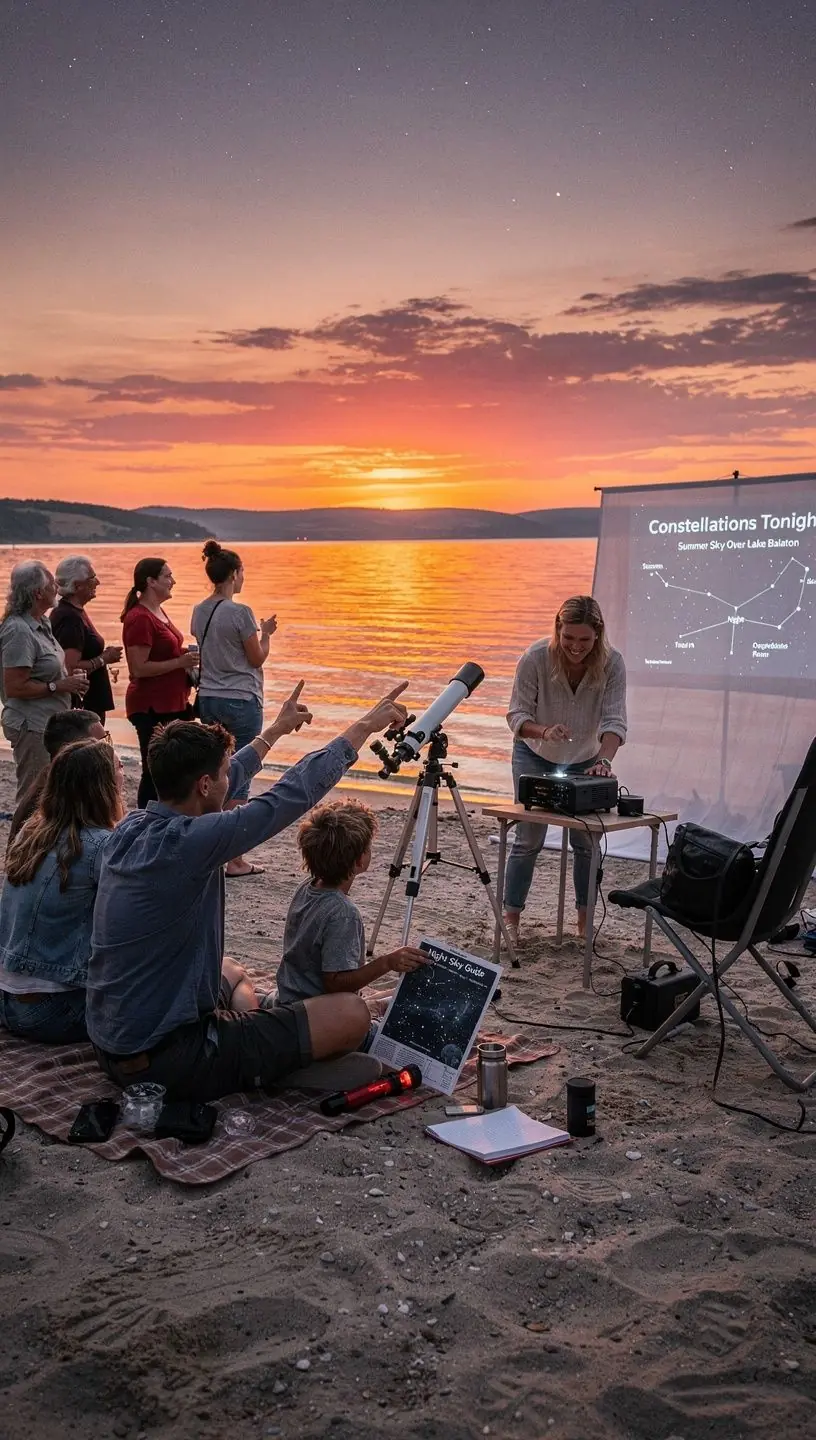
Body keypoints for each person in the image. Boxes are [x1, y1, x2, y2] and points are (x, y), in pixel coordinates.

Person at [85, 680, 412, 1102]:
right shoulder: (189, 843)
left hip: (112, 1044)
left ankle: (265, 1044)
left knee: (233, 970)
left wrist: (273, 732)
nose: (231, 781)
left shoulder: (133, 827)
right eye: (222, 775)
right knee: (352, 1014)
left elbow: (232, 773)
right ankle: (277, 1067)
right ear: (204, 785)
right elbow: (288, 796)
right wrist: (362, 728)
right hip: (168, 1060)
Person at [504, 595, 627, 943]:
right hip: (533, 754)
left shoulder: (613, 664)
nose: (575, 647)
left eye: (584, 641)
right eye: (569, 638)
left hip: (588, 759)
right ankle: (511, 919)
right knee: (528, 838)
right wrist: (544, 730)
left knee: (587, 841)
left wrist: (604, 761)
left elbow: (615, 721)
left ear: (598, 636)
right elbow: (516, 715)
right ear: (558, 630)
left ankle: (584, 923)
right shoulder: (535, 658)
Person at [0, 740, 124, 1044]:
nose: (124, 771)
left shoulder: (33, 832)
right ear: (102, 784)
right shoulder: (100, 846)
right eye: (119, 766)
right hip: (51, 1010)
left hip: (8, 1001)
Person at [274, 799, 429, 1018]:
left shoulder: (307, 888)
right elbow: (336, 984)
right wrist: (387, 962)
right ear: (358, 862)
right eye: (368, 848)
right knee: (407, 1002)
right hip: (317, 1017)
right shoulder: (342, 913)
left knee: (397, 993)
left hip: (291, 1000)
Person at [191, 538, 277, 878]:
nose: (244, 578)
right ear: (233, 574)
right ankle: (236, 859)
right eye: (242, 573)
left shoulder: (199, 610)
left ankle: (210, 844)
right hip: (240, 699)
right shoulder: (241, 613)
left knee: (214, 771)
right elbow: (255, 658)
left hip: (209, 697)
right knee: (240, 773)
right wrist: (267, 634)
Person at [0, 561, 90, 803]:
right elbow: (14, 687)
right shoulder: (18, 630)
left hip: (50, 721)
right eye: (52, 584)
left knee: (51, 793)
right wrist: (58, 686)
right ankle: (20, 841)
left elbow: (49, 668)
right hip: (32, 724)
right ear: (38, 593)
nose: (58, 588)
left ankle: (42, 840)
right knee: (33, 795)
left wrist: (69, 681)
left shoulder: (43, 622)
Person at [121, 557, 198, 807]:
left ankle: (167, 818)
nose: (173, 581)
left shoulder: (158, 612)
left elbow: (165, 651)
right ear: (151, 582)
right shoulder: (140, 618)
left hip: (173, 702)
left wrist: (187, 656)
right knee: (154, 772)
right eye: (168, 576)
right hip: (152, 707)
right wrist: (180, 663)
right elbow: (138, 668)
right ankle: (146, 823)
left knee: (175, 770)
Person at [7, 708, 107, 848]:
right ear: (75, 748)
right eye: (101, 743)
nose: (108, 750)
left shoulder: (59, 779)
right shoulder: (53, 797)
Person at [50, 556, 122, 724]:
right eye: (92, 577)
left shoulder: (74, 611)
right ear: (77, 585)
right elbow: (70, 668)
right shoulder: (69, 618)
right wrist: (104, 658)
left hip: (87, 705)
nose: (97, 582)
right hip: (83, 708)